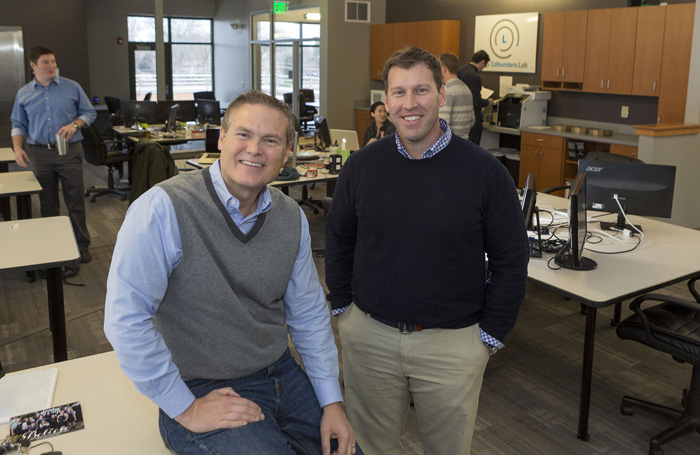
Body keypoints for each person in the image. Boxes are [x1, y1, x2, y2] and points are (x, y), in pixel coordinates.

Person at [104, 90, 359, 455]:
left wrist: (331, 402)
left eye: (271, 140)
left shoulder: (291, 217)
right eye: (243, 134)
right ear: (221, 138)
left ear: (288, 152)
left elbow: (308, 316)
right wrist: (186, 409)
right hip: (202, 387)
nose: (255, 149)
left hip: (282, 374)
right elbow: (125, 320)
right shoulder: (163, 209)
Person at [325, 46, 529, 455]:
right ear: (386, 101)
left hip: (452, 345)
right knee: (369, 447)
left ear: (441, 95)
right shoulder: (362, 166)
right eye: (398, 92)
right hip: (370, 337)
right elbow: (339, 239)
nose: (409, 103)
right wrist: (343, 311)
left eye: (421, 90)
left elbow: (511, 259)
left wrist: (489, 337)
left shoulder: (485, 172)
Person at [10, 46, 96, 266]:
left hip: (69, 151)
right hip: (39, 153)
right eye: (46, 62)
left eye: (53, 62)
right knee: (47, 202)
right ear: (33, 66)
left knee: (75, 199)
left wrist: (75, 124)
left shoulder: (72, 87)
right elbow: (18, 124)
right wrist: (18, 148)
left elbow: (89, 112)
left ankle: (82, 245)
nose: (51, 66)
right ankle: (54, 246)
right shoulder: (24, 93)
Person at [457, 49, 493, 145]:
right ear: (482, 62)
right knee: (472, 149)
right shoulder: (475, 77)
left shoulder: (459, 71)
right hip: (472, 119)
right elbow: (476, 101)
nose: (483, 68)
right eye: (485, 65)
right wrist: (487, 102)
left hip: (459, 117)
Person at [438, 52, 475, 140]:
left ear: (444, 69)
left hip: (450, 144)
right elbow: (472, 120)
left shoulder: (447, 90)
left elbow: (442, 124)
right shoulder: (467, 89)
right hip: (464, 142)